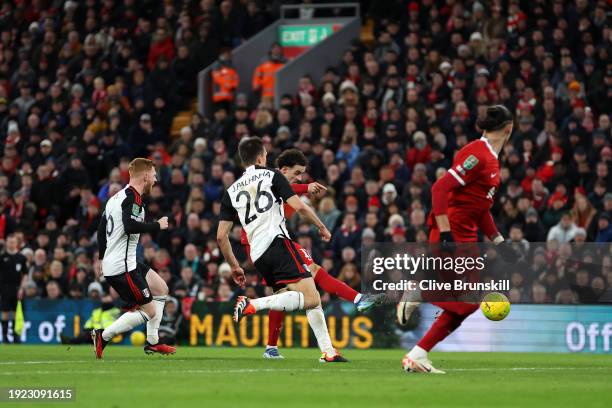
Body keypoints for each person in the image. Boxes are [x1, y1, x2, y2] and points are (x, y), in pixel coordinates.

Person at [400, 105, 519, 374]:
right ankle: (420, 292)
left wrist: (500, 242)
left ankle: (417, 354)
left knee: (464, 305)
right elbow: (440, 187)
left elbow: (481, 209)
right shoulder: (477, 154)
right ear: (509, 128)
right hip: (454, 233)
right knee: (467, 301)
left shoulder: (490, 158)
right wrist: (444, 233)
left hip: (465, 234)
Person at [240, 149, 384, 359]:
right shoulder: (271, 178)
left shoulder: (255, 183)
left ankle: (275, 348)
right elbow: (289, 191)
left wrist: (304, 187)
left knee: (285, 294)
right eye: (297, 172)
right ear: (283, 169)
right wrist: (306, 190)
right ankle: (358, 299)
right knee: (313, 272)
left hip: (258, 247)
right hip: (271, 243)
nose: (298, 177)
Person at [217, 137, 346, 362]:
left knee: (295, 294)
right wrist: (321, 226)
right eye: (265, 155)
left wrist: (235, 266)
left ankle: (328, 351)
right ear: (260, 157)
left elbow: (221, 237)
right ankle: (252, 304)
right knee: (312, 298)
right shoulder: (272, 175)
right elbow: (299, 206)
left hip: (257, 256)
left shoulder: (231, 191)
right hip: (277, 243)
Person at [92, 158, 175, 358]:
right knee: (150, 311)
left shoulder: (116, 197)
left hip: (125, 262)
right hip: (122, 267)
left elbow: (101, 228)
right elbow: (130, 226)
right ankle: (103, 335)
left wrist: (102, 258)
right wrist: (157, 225)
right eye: (154, 175)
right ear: (145, 175)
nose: (155, 179)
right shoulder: (134, 199)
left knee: (161, 289)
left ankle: (153, 342)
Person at [0, 235, 27, 344]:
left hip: (17, 288)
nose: (11, 244)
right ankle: (5, 337)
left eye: (13, 242)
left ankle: (16, 337)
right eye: (9, 242)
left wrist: (22, 288)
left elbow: (25, 275)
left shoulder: (21, 258)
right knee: (5, 312)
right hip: (4, 288)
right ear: (6, 243)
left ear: (17, 243)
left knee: (17, 313)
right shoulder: (2, 257)